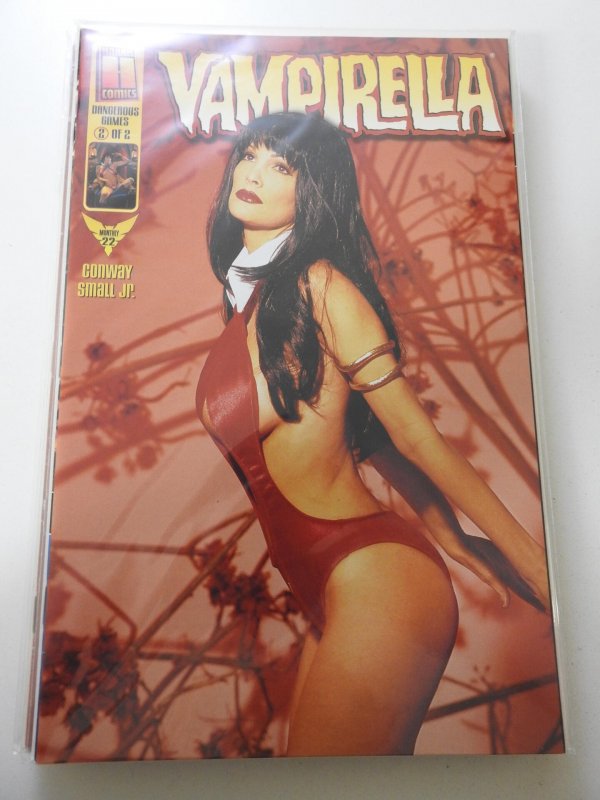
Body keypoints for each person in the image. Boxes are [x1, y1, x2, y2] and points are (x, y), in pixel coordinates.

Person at [196, 112, 550, 756]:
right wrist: (447, 531)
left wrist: (539, 571)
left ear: (313, 191)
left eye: (282, 166)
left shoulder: (321, 284)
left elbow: (417, 437)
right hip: (323, 586)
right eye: (249, 155)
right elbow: (366, 438)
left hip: (375, 577)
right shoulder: (252, 297)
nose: (254, 173)